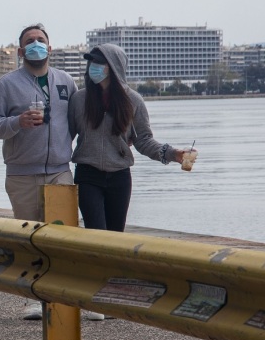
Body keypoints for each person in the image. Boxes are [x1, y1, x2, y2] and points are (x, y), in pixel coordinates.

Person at [0, 24, 101, 320]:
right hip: (22, 173)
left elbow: (78, 122)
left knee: (65, 238)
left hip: (61, 171)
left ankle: (72, 298)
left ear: (50, 48)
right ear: (21, 51)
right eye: (30, 42)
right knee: (29, 238)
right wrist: (17, 122)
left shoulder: (66, 81)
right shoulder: (6, 84)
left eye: (41, 40)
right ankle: (34, 298)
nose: (36, 45)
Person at [69, 43, 194, 232]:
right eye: (91, 61)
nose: (93, 65)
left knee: (116, 234)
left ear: (114, 66)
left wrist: (173, 154)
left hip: (120, 176)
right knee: (95, 232)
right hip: (88, 175)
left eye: (99, 62)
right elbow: (65, 136)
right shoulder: (79, 100)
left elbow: (143, 140)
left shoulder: (133, 101)